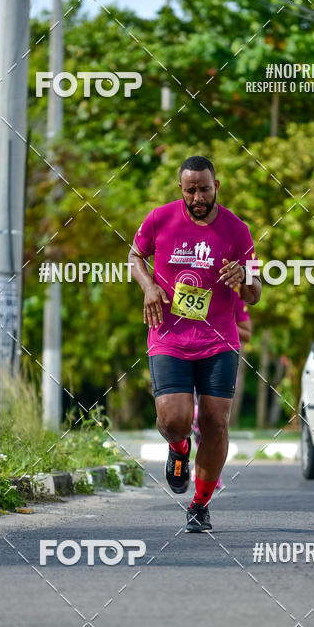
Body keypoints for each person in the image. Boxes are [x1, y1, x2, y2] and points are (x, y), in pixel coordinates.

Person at [128, 154, 262, 532]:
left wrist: (244, 279)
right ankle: (178, 447)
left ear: (216, 186)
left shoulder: (237, 230)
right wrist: (149, 286)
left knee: (216, 422)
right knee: (175, 420)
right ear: (181, 189)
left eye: (204, 189)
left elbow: (254, 294)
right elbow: (135, 255)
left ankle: (200, 504)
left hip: (219, 341)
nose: (198, 197)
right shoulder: (160, 218)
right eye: (190, 190)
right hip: (168, 337)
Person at [192, 293, 252, 487]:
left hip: (220, 359)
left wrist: (220, 320)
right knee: (190, 417)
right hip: (186, 355)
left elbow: (247, 333)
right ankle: (183, 453)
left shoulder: (234, 296)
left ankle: (209, 473)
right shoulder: (190, 286)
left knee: (214, 421)